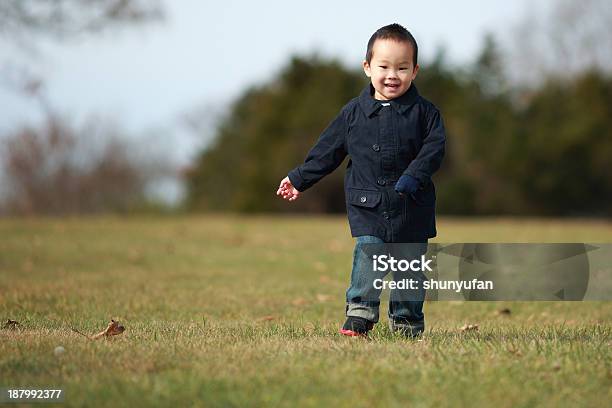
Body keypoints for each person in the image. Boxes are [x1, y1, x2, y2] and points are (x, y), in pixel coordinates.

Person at [276, 23, 446, 337]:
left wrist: (413, 175)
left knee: (410, 268)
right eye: (384, 66)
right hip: (369, 205)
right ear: (367, 67)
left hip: (413, 205)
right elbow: (327, 151)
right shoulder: (353, 114)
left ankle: (407, 321)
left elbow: (434, 150)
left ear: (415, 71)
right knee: (369, 255)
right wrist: (299, 178)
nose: (392, 74)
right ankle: (360, 313)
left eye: (402, 67)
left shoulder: (426, 113)